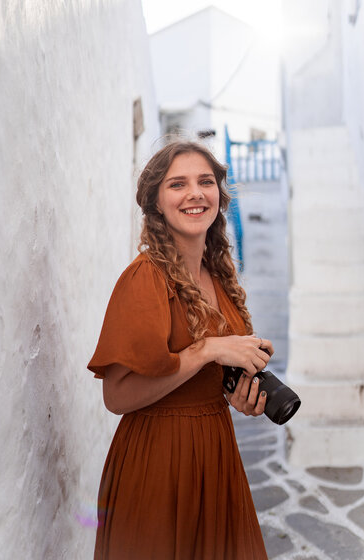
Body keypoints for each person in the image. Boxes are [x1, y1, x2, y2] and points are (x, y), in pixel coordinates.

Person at [87, 140, 274, 560]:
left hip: (215, 453)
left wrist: (237, 396)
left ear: (218, 197)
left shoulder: (218, 275)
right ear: (155, 202)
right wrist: (207, 349)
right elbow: (117, 396)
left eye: (205, 182)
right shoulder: (144, 279)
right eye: (178, 184)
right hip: (158, 464)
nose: (195, 193)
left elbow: (201, 381)